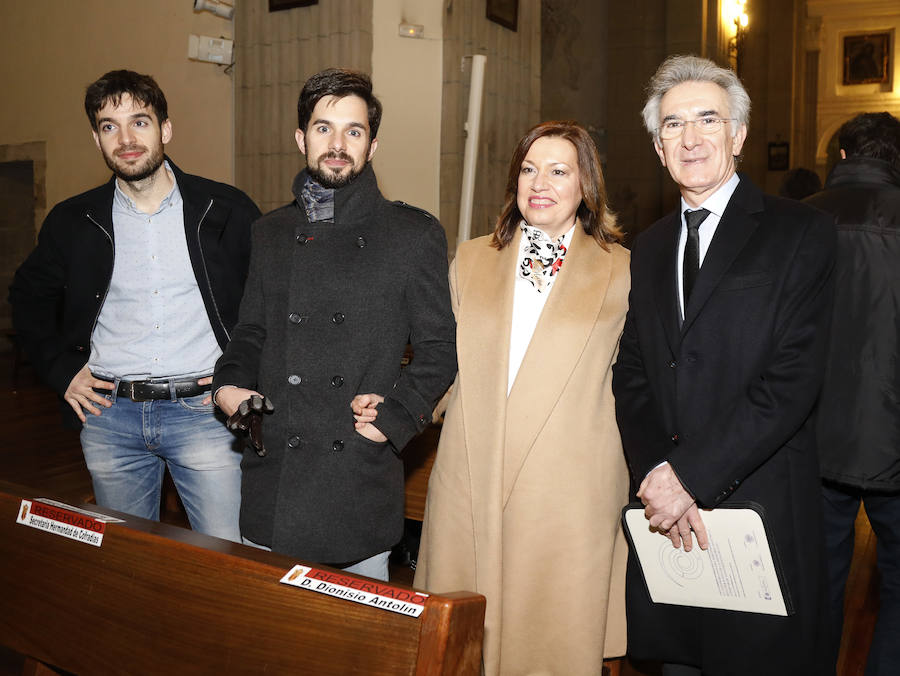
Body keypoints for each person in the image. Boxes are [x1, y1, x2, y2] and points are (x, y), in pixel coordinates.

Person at [612, 55, 835, 675]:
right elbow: (633, 373)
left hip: (760, 509)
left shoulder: (801, 232)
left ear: (738, 135)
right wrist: (659, 474)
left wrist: (691, 477)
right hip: (670, 521)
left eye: (708, 119)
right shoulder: (647, 247)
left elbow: (792, 381)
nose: (691, 138)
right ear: (658, 148)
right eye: (673, 125)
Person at [212, 68, 456, 582]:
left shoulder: (412, 235)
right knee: (268, 623)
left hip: (355, 473)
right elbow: (251, 330)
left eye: (354, 131)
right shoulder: (270, 232)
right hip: (277, 467)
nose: (338, 144)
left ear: (373, 145)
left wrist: (393, 419)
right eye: (324, 128)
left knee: (357, 628)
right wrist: (228, 385)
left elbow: (439, 349)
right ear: (301, 138)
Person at [414, 121, 630, 675]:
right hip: (473, 471)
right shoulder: (471, 259)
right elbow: (443, 363)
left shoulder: (622, 269)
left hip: (567, 484)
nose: (540, 183)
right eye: (529, 169)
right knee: (461, 646)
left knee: (550, 643)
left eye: (559, 171)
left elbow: (638, 380)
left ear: (586, 184)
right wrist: (399, 406)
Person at [8, 70, 260, 540]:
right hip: (110, 417)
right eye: (110, 126)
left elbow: (268, 301)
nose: (125, 139)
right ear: (97, 139)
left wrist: (244, 375)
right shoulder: (73, 220)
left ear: (165, 129)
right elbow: (27, 297)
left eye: (139, 122)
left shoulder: (226, 210)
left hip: (206, 414)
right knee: (126, 562)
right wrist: (61, 370)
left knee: (226, 558)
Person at [804, 111, 900, 676]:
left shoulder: (800, 221)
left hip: (816, 438)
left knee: (818, 587)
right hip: (895, 440)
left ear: (841, 156)